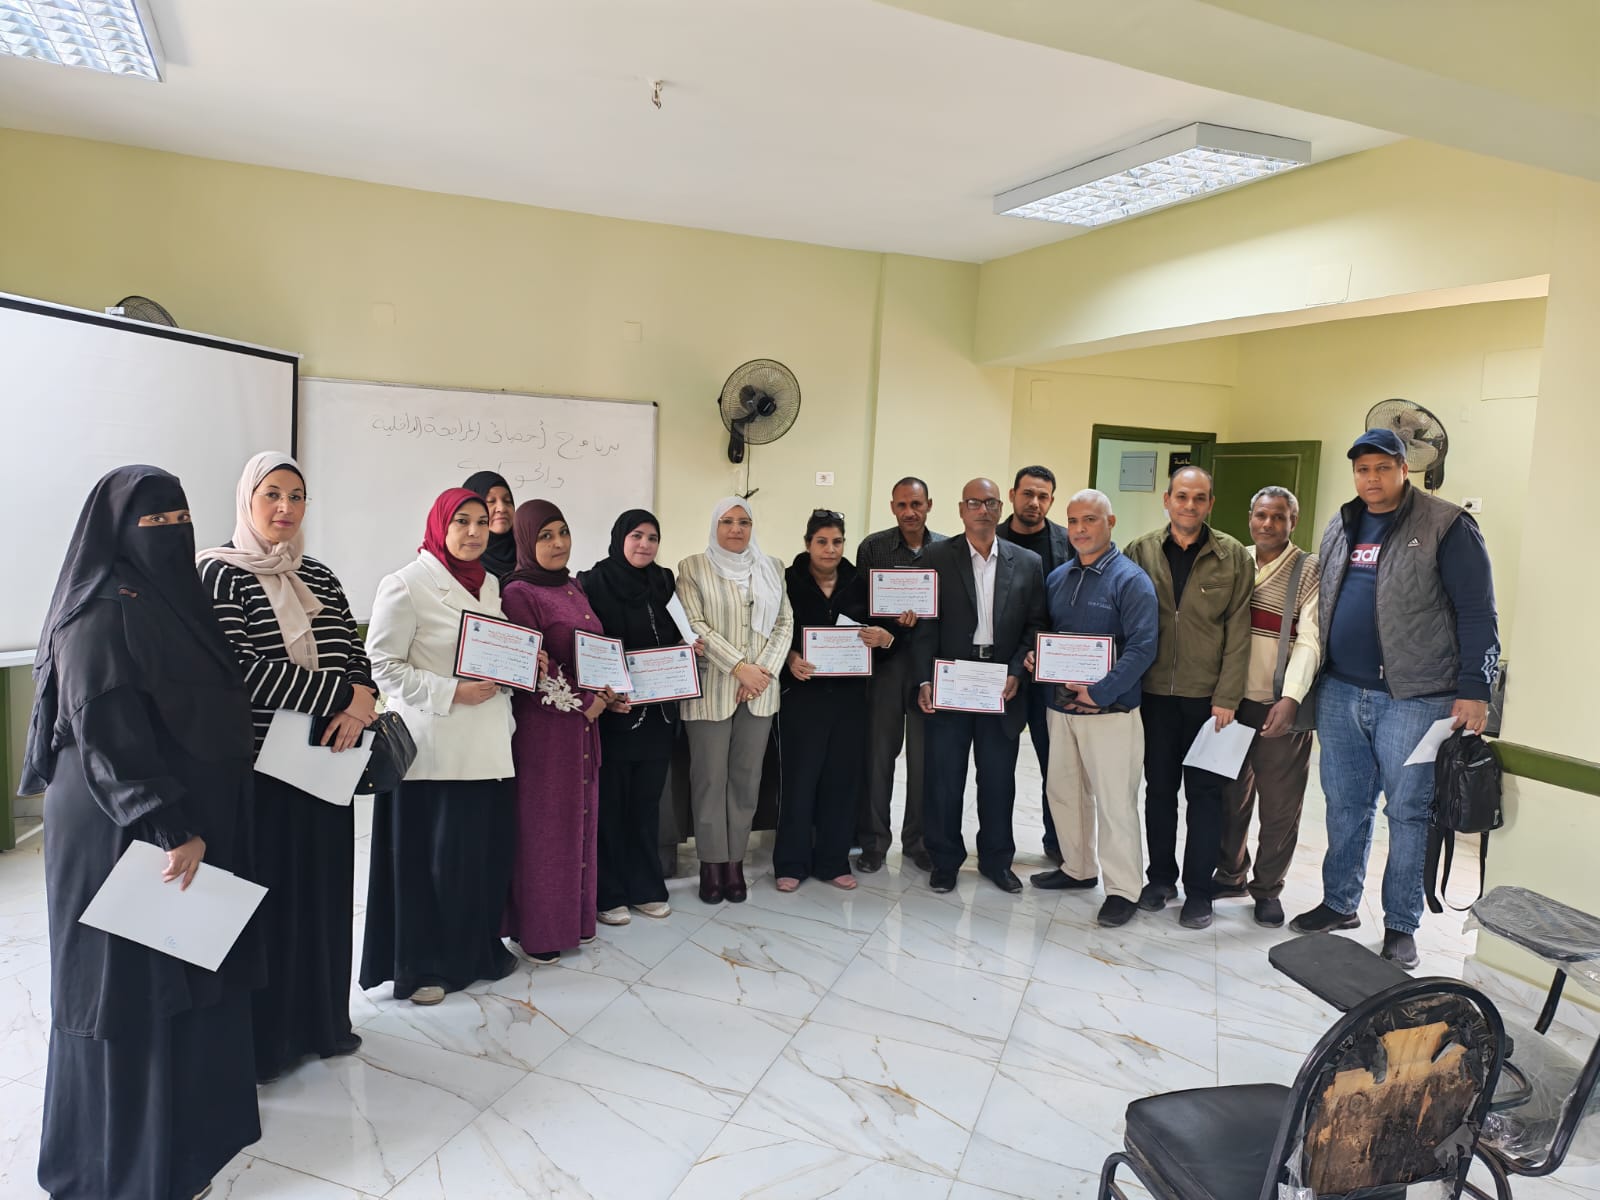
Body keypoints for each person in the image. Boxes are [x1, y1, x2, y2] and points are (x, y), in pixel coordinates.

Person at [24, 465, 262, 1200]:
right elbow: (105, 730)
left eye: (179, 520)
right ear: (114, 531)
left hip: (175, 820)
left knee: (183, 981)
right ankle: (119, 1167)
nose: (170, 533)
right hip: (123, 826)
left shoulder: (174, 599)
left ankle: (181, 1147)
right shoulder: (98, 610)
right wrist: (168, 824)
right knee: (126, 992)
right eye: (152, 522)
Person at [1291, 430, 1498, 969]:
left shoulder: (1447, 525)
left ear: (1405, 470)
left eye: (1383, 468)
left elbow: (1479, 611)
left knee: (1407, 812)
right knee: (1344, 804)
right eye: (1363, 469)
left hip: (1417, 698)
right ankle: (1339, 903)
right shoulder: (1342, 523)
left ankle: (1402, 925)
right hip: (1340, 690)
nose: (1372, 478)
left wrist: (1475, 689)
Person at [198, 451, 376, 1082]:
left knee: (324, 897)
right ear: (247, 498)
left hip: (327, 763)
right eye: (272, 494)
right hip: (262, 772)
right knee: (269, 902)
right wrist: (342, 697)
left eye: (297, 496)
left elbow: (355, 655)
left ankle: (323, 1024)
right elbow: (242, 673)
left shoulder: (318, 575)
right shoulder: (218, 574)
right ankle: (268, 1042)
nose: (285, 507)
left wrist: (360, 703)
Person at [360, 488, 518, 1004]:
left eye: (481, 522)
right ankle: (423, 966)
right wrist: (452, 692)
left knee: (478, 859)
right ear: (440, 526)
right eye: (461, 522)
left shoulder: (490, 584)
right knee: (432, 863)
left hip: (487, 744)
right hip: (434, 750)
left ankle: (475, 954)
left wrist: (521, 667)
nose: (474, 532)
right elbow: (382, 666)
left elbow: (491, 654)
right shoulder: (406, 584)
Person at [1124, 466, 1253, 930]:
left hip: (1209, 703)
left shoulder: (1233, 556)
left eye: (1200, 498)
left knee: (1206, 797)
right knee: (1158, 791)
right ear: (1167, 500)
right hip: (1153, 696)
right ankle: (1160, 879)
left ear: (1210, 504)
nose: (1190, 505)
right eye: (1182, 496)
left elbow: (1239, 631)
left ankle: (1200, 891)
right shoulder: (1140, 551)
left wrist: (1228, 696)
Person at [1024, 490, 1158, 927]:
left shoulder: (1131, 580)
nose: (1080, 529)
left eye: (1090, 520)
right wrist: (1036, 657)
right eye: (1074, 521)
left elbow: (1143, 647)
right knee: (1064, 792)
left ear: (1110, 522)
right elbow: (1047, 634)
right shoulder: (1058, 577)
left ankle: (1123, 889)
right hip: (1061, 708)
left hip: (1111, 712)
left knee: (1115, 802)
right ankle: (1077, 868)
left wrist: (1099, 692)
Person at [914, 477, 1048, 894]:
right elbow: (924, 625)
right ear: (961, 509)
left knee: (997, 779)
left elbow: (1036, 625)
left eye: (990, 503)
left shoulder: (1027, 562)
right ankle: (944, 860)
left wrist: (1017, 671)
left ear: (1000, 508)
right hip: (952, 680)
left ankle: (996, 860)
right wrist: (924, 678)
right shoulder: (936, 556)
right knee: (945, 778)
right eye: (974, 503)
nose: (983, 510)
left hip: (1001, 682)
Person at [501, 500, 618, 963]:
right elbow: (529, 669)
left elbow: (590, 654)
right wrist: (585, 704)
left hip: (581, 728)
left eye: (563, 532)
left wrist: (610, 691)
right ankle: (540, 932)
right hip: (545, 732)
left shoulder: (572, 586)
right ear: (526, 541)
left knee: (580, 820)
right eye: (545, 535)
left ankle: (576, 921)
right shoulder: (519, 593)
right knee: (546, 828)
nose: (558, 543)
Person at [676, 497, 795, 904]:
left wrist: (761, 673)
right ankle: (711, 863)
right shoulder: (692, 567)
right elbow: (695, 624)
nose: (735, 529)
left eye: (744, 522)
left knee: (747, 779)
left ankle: (734, 863)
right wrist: (739, 667)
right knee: (710, 779)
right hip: (713, 689)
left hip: (760, 691)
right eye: (727, 521)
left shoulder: (772, 567)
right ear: (715, 526)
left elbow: (784, 623)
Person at [1213, 486, 1321, 929]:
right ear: (1250, 517)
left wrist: (1291, 697)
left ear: (1293, 521)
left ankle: (1268, 889)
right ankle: (1230, 874)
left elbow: (1311, 639)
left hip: (1279, 708)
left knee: (1279, 807)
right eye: (1261, 515)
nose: (1268, 524)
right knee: (1229, 798)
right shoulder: (1234, 560)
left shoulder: (1309, 569)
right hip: (1230, 705)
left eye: (1279, 516)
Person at [776, 510, 896, 891]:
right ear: (808, 543)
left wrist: (885, 638)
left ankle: (832, 861)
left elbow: (887, 634)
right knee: (799, 781)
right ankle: (791, 863)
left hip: (849, 700)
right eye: (822, 542)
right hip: (802, 698)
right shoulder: (786, 582)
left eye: (837, 542)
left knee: (842, 781)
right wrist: (789, 659)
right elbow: (773, 633)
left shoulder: (861, 584)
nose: (830, 549)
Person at [579, 509, 688, 926]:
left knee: (645, 807)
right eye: (636, 536)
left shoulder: (664, 582)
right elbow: (588, 645)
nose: (645, 544)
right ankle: (609, 894)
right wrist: (606, 694)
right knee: (611, 808)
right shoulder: (593, 582)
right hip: (615, 715)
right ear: (619, 538)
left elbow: (677, 633)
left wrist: (687, 648)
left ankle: (645, 887)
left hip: (658, 715)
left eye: (652, 538)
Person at [854, 476, 946, 873]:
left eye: (917, 504)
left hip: (928, 669)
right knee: (879, 756)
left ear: (929, 505)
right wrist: (890, 626)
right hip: (886, 667)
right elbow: (859, 606)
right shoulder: (872, 548)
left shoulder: (946, 550)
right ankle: (874, 842)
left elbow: (949, 610)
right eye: (902, 505)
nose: (910, 512)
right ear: (892, 507)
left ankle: (918, 841)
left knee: (924, 759)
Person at [996, 465, 1073, 866]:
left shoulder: (1067, 542)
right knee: (997, 766)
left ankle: (1058, 841)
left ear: (1052, 501)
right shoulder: (992, 539)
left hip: (1051, 675)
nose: (1035, 503)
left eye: (1043, 496)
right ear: (1012, 495)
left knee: (1055, 765)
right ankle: (997, 848)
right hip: (1001, 674)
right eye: (1028, 494)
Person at [462, 470, 518, 583]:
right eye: (490, 501)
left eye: (507, 501)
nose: (501, 508)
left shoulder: (530, 554)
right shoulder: (462, 565)